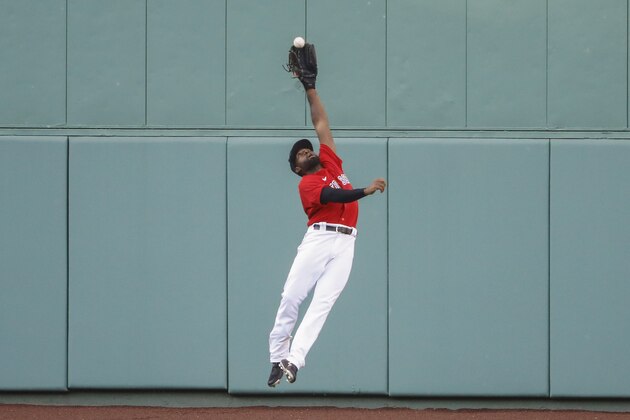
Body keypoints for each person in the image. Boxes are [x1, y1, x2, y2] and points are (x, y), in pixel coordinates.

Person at [267, 85, 387, 387]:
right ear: (297, 168)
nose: (305, 152)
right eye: (300, 155)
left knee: (323, 303)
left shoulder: (331, 161)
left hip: (347, 243)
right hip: (319, 240)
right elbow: (334, 196)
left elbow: (321, 124)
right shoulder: (306, 183)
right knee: (292, 296)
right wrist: (364, 190)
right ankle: (276, 354)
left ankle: (294, 360)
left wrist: (311, 90)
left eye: (307, 149)